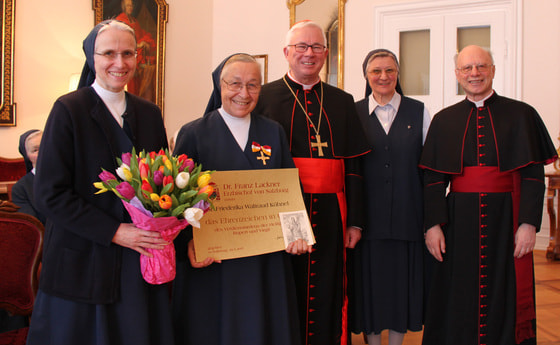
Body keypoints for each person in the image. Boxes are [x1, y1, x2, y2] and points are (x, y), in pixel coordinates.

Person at [26, 20, 172, 345]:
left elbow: (162, 183)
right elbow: (49, 194)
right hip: (83, 261)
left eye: (127, 53)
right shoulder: (68, 110)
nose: (119, 63)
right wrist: (116, 232)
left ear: (137, 58)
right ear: (92, 58)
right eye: (109, 53)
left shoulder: (149, 114)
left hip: (137, 261)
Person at [420, 45, 557, 345]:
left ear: (493, 70)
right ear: (457, 74)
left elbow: (533, 176)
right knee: (459, 291)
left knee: (504, 287)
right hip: (458, 222)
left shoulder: (522, 114)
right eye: (467, 68)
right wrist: (433, 226)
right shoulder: (444, 121)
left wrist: (528, 224)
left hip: (506, 219)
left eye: (481, 66)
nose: (475, 73)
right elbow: (432, 180)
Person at [172, 53, 311, 345]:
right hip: (216, 261)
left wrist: (298, 234)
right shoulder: (194, 133)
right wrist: (189, 246)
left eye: (253, 85)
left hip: (266, 259)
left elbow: (287, 187)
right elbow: (177, 202)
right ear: (219, 85)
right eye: (235, 84)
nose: (243, 94)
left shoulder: (273, 131)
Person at [254, 20, 370, 345]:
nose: (309, 53)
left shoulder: (342, 101)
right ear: (286, 53)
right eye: (302, 47)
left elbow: (355, 166)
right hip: (280, 210)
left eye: (317, 47)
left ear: (326, 53)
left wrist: (356, 223)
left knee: (328, 286)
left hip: (334, 211)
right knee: (285, 284)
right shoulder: (263, 97)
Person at [351, 49, 430, 345]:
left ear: (398, 74)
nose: (383, 77)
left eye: (390, 70)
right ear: (366, 75)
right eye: (376, 71)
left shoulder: (419, 111)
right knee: (371, 287)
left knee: (400, 288)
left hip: (409, 217)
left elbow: (429, 166)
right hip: (366, 222)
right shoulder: (354, 113)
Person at [116, 0, 156, 102]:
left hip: (137, 51)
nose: (131, 7)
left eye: (131, 5)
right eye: (128, 6)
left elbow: (140, 35)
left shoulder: (134, 20)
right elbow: (121, 41)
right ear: (124, 7)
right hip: (130, 52)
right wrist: (138, 44)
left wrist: (144, 43)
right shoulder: (120, 20)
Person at [11, 129, 46, 224]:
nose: (42, 152)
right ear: (27, 156)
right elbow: (33, 226)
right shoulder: (20, 189)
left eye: (45, 145)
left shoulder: (69, 176)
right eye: (35, 150)